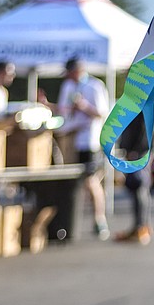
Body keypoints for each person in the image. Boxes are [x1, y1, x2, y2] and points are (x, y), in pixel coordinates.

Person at [57, 57, 111, 240]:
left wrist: (84, 106)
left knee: (91, 181)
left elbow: (102, 113)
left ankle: (99, 219)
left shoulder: (94, 86)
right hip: (70, 139)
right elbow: (63, 111)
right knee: (72, 183)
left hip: (89, 141)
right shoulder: (68, 86)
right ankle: (70, 221)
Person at [114, 118, 153, 245]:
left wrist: (135, 151)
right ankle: (141, 225)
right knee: (139, 187)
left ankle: (141, 227)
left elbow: (144, 127)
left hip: (139, 151)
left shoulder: (141, 102)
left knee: (139, 186)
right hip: (139, 150)